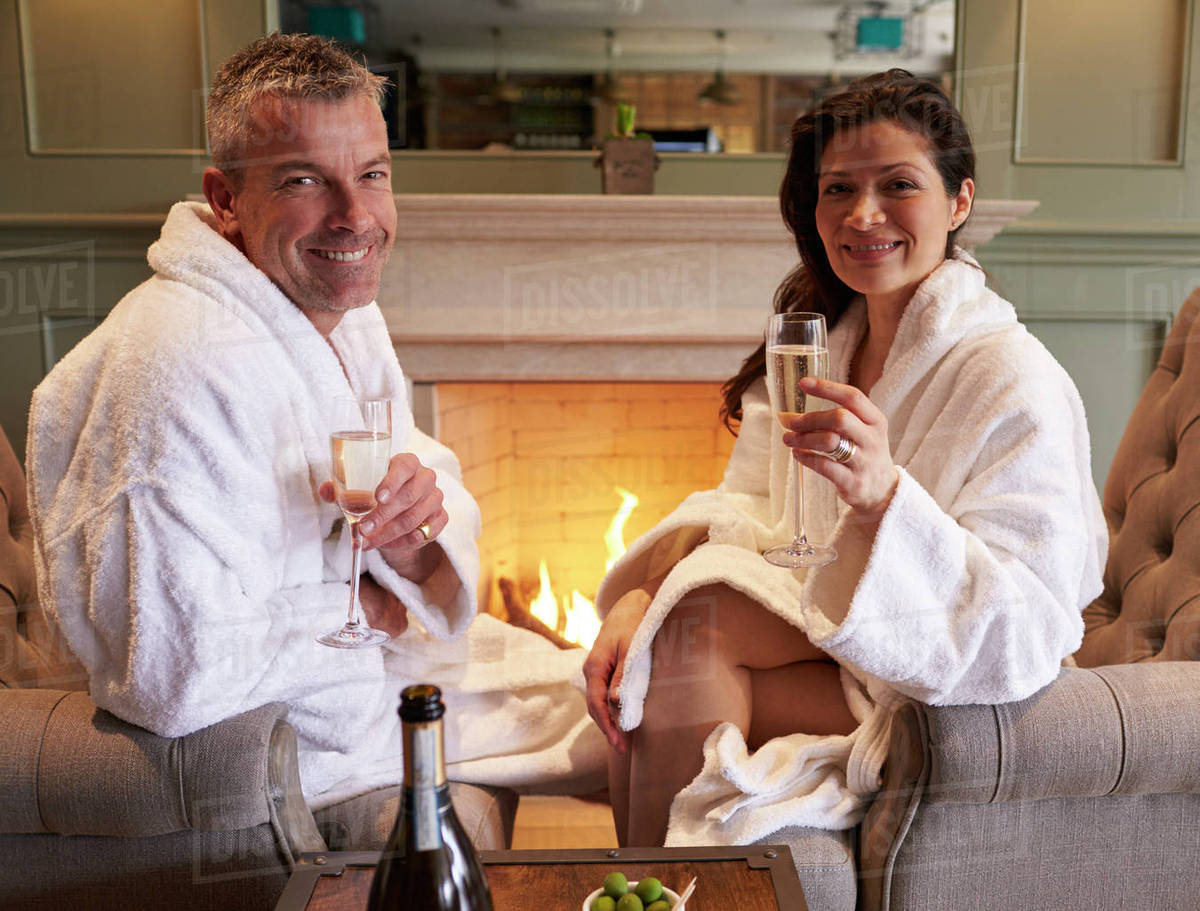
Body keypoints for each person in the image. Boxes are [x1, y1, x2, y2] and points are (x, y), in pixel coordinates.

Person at [26, 33, 603, 811]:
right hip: (292, 742)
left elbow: (421, 475)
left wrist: (414, 534)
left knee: (639, 694)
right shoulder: (172, 369)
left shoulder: (331, 313)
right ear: (226, 199)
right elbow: (171, 672)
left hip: (364, 678)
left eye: (372, 175)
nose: (355, 216)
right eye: (305, 181)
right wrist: (356, 609)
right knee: (644, 717)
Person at [582, 69, 1107, 848]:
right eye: (837, 190)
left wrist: (884, 500)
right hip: (839, 648)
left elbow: (1028, 619)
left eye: (899, 184)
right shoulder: (823, 338)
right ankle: (638, 890)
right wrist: (641, 600)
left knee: (686, 631)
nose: (863, 216)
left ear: (959, 201)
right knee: (675, 643)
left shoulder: (1014, 378)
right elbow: (749, 514)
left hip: (932, 674)